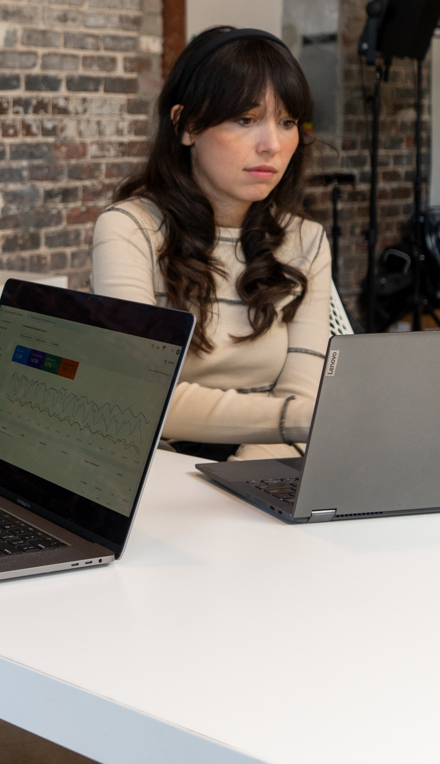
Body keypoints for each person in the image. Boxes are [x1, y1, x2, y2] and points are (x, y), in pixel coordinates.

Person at [90, 27, 331, 461]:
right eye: (246, 119)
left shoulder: (306, 240)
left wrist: (239, 484)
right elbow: (139, 394)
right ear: (186, 125)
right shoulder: (130, 228)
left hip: (264, 471)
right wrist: (290, 421)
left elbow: (303, 398)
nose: (272, 145)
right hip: (151, 468)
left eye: (287, 122)